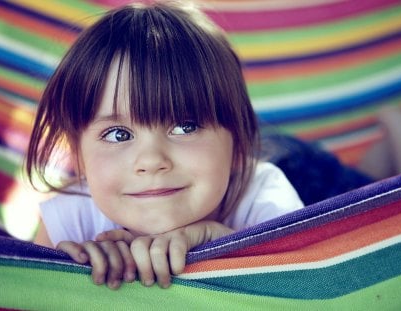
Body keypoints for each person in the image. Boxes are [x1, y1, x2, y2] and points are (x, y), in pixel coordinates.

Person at [26, 1, 304, 290]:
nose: (151, 160)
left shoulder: (263, 197)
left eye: (186, 126)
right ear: (78, 155)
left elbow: (307, 289)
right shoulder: (71, 219)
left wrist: (222, 243)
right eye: (118, 134)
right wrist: (66, 279)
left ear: (238, 143)